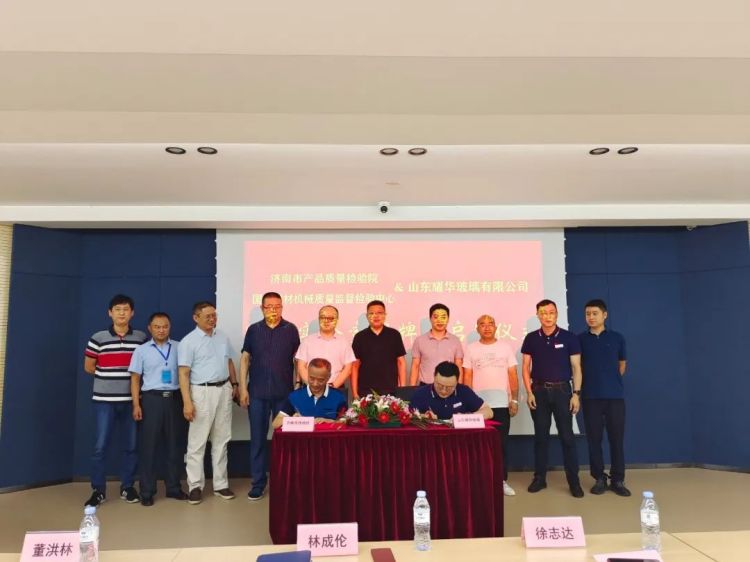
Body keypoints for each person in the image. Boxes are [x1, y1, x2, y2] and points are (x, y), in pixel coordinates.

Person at [83, 294, 147, 507]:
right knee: (100, 447)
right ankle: (98, 490)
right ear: (110, 313)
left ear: (132, 313)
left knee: (131, 446)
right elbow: (89, 366)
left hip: (131, 401)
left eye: (126, 309)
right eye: (117, 309)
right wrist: (110, 377)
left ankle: (127, 487)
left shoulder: (140, 338)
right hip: (104, 401)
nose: (122, 313)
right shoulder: (98, 338)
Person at [239, 292, 300, 501]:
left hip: (284, 394)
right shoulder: (254, 330)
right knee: (257, 439)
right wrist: (243, 389)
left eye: (277, 306)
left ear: (282, 307)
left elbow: (298, 360)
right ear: (262, 308)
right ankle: (258, 483)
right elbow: (245, 359)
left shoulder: (290, 329)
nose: (273, 310)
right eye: (269, 306)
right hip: (257, 393)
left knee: (283, 440)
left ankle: (283, 482)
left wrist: (298, 386)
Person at [521, 299, 584, 498]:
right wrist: (529, 392)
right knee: (541, 437)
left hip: (563, 391)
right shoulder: (531, 338)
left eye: (551, 312)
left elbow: (576, 367)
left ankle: (574, 482)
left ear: (556, 314)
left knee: (567, 437)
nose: (547, 316)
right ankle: (539, 478)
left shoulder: (569, 337)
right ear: (538, 315)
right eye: (543, 313)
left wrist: (576, 394)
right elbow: (525, 367)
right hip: (538, 391)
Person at [178, 301, 239, 505]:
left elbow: (229, 361)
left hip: (224, 389)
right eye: (208, 316)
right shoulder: (188, 341)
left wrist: (235, 384)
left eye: (214, 315)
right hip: (201, 391)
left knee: (222, 439)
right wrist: (187, 402)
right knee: (197, 441)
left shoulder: (222, 336)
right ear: (196, 318)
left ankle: (221, 484)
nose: (212, 319)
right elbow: (183, 373)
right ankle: (195, 486)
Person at [129, 312, 188, 506]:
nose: (161, 330)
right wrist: (136, 404)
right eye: (157, 327)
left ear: (169, 327)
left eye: (165, 326)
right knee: (149, 447)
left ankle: (174, 488)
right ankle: (147, 491)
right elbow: (135, 379)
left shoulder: (180, 347)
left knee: (174, 446)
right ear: (150, 328)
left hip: (175, 399)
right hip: (151, 400)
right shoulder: (141, 351)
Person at [463, 314, 519, 496]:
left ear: (496, 327)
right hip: (479, 406)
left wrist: (514, 400)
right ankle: (478, 481)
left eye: (490, 324)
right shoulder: (471, 349)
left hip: (501, 403)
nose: (487, 327)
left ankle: (501, 481)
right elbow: (467, 376)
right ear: (477, 328)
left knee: (500, 445)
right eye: (482, 324)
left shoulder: (505, 347)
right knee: (477, 445)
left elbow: (512, 374)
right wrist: (468, 404)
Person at [579, 299, 630, 496]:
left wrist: (610, 381)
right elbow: (578, 367)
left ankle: (618, 479)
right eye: (587, 314)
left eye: (595, 313)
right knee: (594, 439)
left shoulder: (617, 338)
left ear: (604, 315)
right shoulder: (580, 339)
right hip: (590, 397)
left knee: (616, 439)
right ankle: (599, 478)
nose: (591, 317)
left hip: (614, 397)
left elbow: (622, 364)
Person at [351, 300, 406, 398]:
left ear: (385, 315)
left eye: (379, 313)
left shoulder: (394, 335)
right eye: (371, 313)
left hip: (390, 390)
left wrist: (402, 390)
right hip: (365, 391)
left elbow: (401, 362)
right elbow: (355, 366)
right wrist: (355, 393)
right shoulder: (359, 337)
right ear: (367, 316)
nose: (376, 316)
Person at [271, 358, 347, 429]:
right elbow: (275, 424)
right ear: (308, 374)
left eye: (321, 380)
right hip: (302, 438)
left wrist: (329, 421)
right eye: (311, 378)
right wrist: (292, 420)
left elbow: (346, 422)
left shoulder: (338, 397)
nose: (315, 384)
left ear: (329, 377)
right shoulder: (294, 396)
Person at [295, 305, 355, 393]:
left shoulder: (344, 342)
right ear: (318, 319)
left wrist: (333, 386)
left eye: (330, 318)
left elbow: (348, 368)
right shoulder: (307, 341)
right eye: (323, 317)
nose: (326, 321)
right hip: (310, 390)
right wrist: (312, 385)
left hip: (335, 389)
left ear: (337, 320)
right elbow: (301, 366)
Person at [409, 361, 492, 420]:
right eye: (440, 385)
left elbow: (488, 412)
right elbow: (409, 416)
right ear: (434, 377)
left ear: (457, 382)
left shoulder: (464, 391)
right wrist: (424, 417)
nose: (443, 391)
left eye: (449, 387)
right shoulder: (421, 393)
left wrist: (465, 418)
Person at [409, 303, 463, 386]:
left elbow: (458, 365)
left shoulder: (455, 340)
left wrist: (459, 387)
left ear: (448, 319)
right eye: (436, 317)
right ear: (430, 319)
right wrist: (411, 389)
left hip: (448, 386)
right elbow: (415, 366)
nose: (439, 320)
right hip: (426, 386)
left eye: (443, 317)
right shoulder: (419, 340)